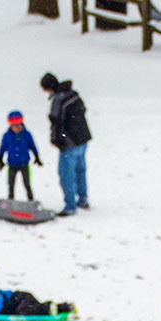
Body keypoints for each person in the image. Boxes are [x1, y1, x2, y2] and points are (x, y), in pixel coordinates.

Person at [41, 73, 92, 216]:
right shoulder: (73, 94)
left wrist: (56, 140)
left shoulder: (58, 100)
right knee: (80, 170)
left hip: (69, 143)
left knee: (66, 175)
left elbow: (56, 122)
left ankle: (70, 205)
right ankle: (83, 199)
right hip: (82, 139)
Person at [0, 111, 42, 201]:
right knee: (11, 183)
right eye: (14, 126)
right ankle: (11, 199)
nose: (16, 128)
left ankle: (31, 200)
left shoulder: (27, 134)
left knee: (27, 183)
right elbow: (2, 148)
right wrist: (0, 160)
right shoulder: (7, 136)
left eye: (18, 125)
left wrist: (37, 158)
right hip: (12, 164)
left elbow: (33, 146)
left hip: (24, 163)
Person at [0, 280, 74, 317]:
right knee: (34, 310)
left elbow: (0, 306)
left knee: (29, 310)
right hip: (19, 303)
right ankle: (60, 308)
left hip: (21, 299)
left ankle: (61, 307)